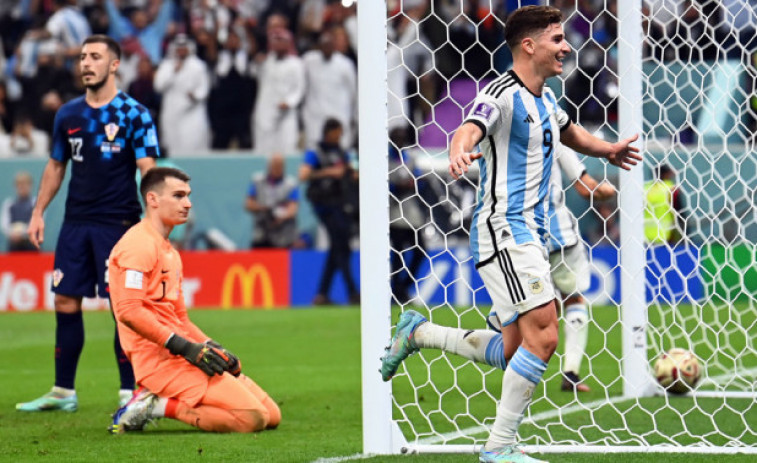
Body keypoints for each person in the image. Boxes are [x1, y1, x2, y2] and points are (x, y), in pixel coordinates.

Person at [380, 6, 641, 462]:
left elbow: (572, 134)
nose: (566, 47)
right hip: (506, 229)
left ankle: (417, 334)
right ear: (529, 45)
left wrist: (610, 149)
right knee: (545, 337)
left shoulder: (544, 99)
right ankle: (499, 449)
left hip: (531, 234)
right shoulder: (501, 93)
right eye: (557, 39)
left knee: (513, 347)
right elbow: (468, 127)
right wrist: (460, 151)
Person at [16, 35, 159, 413]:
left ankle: (130, 392)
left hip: (119, 224)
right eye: (82, 57)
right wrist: (38, 211)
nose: (86, 63)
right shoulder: (69, 114)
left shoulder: (134, 113)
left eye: (95, 57)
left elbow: (148, 169)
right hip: (76, 224)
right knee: (65, 300)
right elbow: (56, 166)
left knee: (122, 307)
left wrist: (155, 219)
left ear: (114, 64)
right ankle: (64, 391)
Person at [108, 167, 281, 433]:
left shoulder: (171, 252)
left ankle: (159, 400)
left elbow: (179, 318)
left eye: (188, 196)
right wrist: (184, 347)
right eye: (178, 196)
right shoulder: (138, 244)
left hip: (183, 354)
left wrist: (212, 346)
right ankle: (157, 405)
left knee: (271, 416)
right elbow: (129, 311)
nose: (187, 204)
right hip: (158, 363)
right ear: (153, 199)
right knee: (252, 418)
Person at [300, 118, 360, 305]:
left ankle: (322, 294)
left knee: (338, 247)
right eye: (338, 132)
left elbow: (351, 171)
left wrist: (352, 173)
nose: (340, 136)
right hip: (324, 205)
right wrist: (328, 172)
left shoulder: (342, 152)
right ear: (330, 131)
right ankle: (352, 292)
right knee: (342, 247)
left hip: (341, 203)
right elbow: (303, 175)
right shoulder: (315, 152)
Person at [153, 34, 211, 156]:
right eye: (178, 48)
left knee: (194, 143)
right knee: (173, 144)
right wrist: (174, 72)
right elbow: (158, 86)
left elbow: (204, 87)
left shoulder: (198, 66)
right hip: (172, 112)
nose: (181, 51)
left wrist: (195, 95)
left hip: (193, 112)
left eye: (184, 47)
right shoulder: (167, 65)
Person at [245, 153, 299, 248]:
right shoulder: (257, 181)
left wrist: (280, 217)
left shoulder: (291, 184)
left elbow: (293, 209)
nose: (277, 169)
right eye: (274, 165)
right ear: (269, 166)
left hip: (283, 236)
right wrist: (263, 209)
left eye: (280, 166)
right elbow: (248, 204)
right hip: (261, 233)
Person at [644, 163, 685, 245]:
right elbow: (680, 213)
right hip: (666, 236)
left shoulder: (645, 188)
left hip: (644, 236)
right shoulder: (671, 189)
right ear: (665, 174)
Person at [0, 171, 37, 252]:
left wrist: (23, 233)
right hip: (14, 246)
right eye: (20, 185)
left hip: (31, 245)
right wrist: (13, 233)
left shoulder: (36, 204)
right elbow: (4, 224)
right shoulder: (9, 204)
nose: (22, 187)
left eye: (25, 184)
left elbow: (37, 222)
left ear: (30, 185)